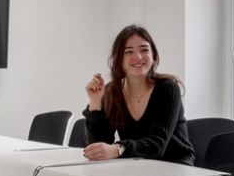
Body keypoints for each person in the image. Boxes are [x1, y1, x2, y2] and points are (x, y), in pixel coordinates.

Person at [80, 24, 194, 164]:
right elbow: (98, 147)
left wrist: (118, 149)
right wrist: (95, 103)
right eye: (128, 52)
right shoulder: (112, 91)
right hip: (137, 164)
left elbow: (157, 145)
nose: (138, 57)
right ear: (118, 59)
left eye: (144, 50)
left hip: (176, 165)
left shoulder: (167, 88)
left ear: (153, 55)